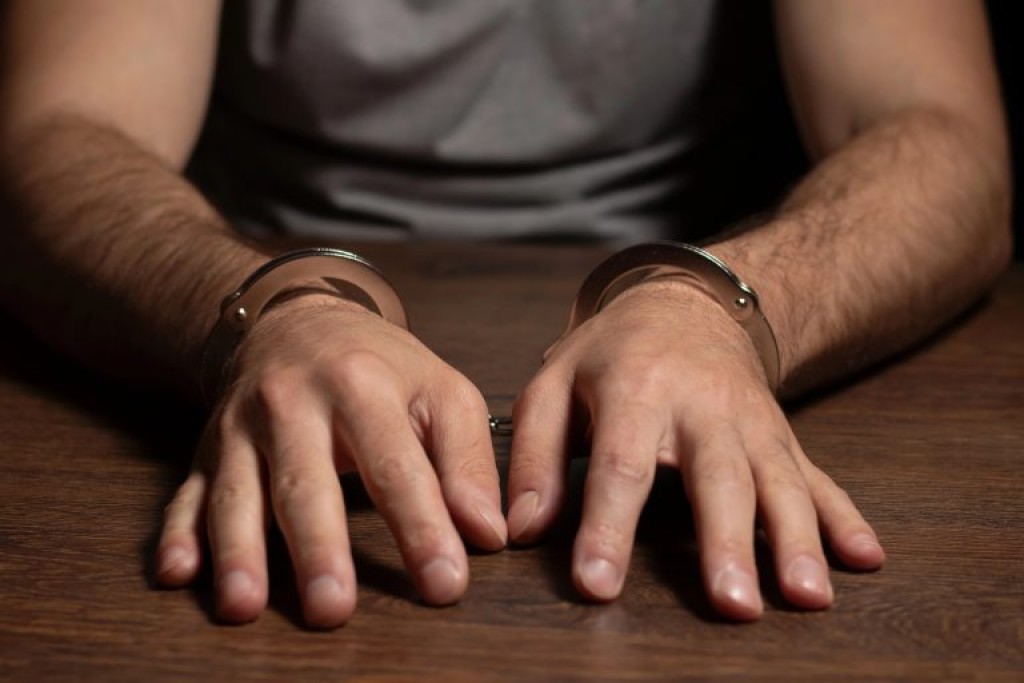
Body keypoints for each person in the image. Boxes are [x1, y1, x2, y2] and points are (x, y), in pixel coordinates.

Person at [0, 1, 1011, 629]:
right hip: (252, 298)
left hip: (702, 317)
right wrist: (270, 311)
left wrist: (713, 303)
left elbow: (942, 136)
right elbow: (62, 127)